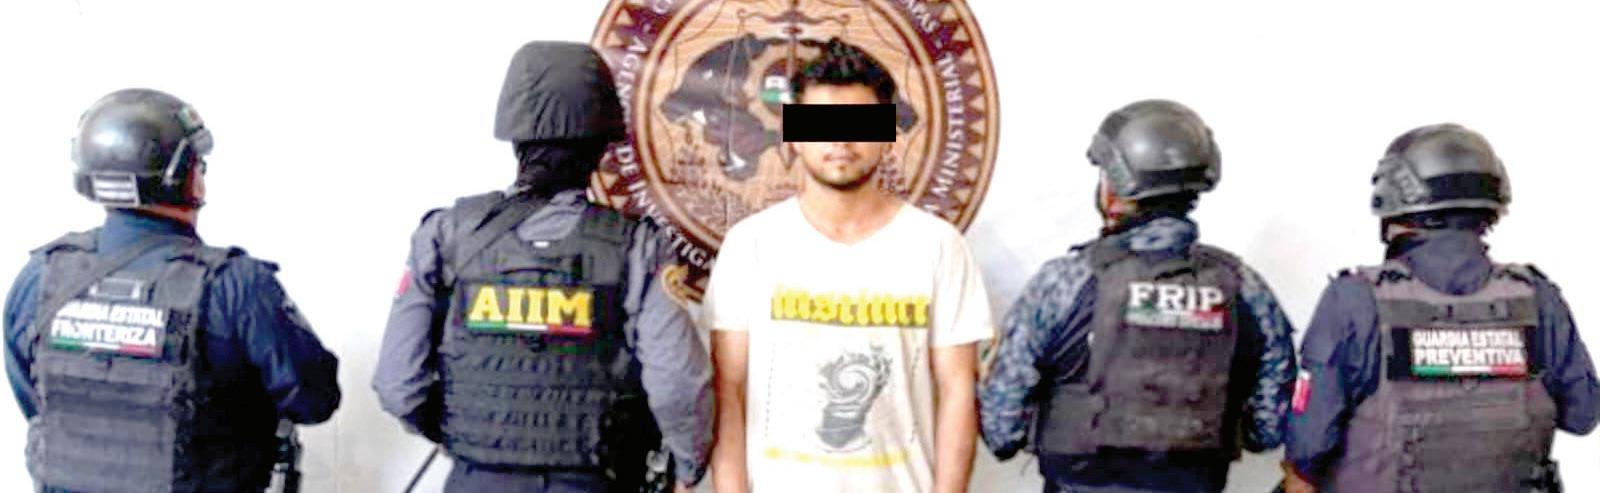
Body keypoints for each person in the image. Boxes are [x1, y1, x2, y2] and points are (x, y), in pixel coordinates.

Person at [372, 41, 713, 493]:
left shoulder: (446, 235)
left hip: (476, 479)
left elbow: (398, 385)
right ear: (602, 147)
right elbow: (677, 384)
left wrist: (468, 429)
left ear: (514, 137)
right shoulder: (637, 248)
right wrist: (688, 468)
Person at [3, 88, 342, 492]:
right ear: (187, 177)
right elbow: (314, 400)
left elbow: (35, 399)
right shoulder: (235, 286)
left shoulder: (41, 277)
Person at [703, 39, 993, 493]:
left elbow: (958, 390)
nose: (840, 141)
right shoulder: (751, 244)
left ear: (888, 132)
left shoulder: (938, 246)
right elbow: (729, 390)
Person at [978, 100, 1298, 493]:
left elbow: (1001, 430)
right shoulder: (1245, 289)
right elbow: (1268, 430)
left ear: (1114, 190)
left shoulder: (1064, 283)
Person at [1283, 123, 1599, 492]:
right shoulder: (1537, 299)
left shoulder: (1354, 299)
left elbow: (1309, 443)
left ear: (1393, 202)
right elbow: (1583, 414)